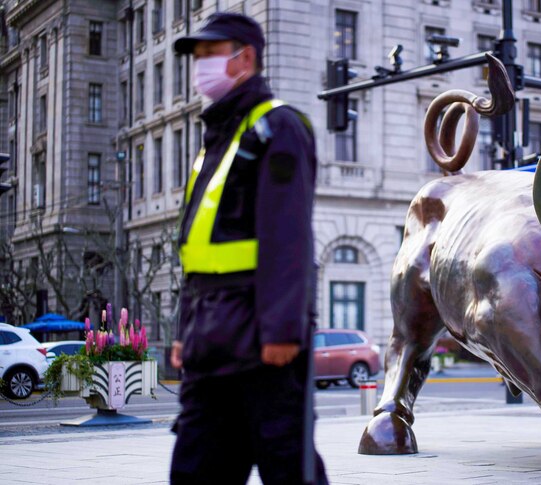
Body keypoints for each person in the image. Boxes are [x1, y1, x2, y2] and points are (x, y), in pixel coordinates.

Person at [169, 12, 327, 484]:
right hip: (209, 340)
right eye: (197, 57)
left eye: (209, 54)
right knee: (196, 470)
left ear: (245, 58)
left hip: (263, 344)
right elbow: (196, 255)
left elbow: (288, 238)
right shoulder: (213, 140)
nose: (200, 65)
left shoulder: (276, 128)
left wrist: (281, 331)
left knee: (288, 468)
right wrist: (183, 330)